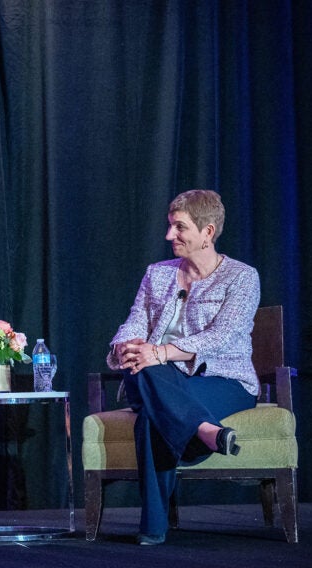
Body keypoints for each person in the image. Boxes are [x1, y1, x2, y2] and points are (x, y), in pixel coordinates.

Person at [106, 189, 260, 546]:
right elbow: (134, 322)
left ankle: (153, 525)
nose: (169, 236)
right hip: (157, 376)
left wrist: (160, 352)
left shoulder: (241, 277)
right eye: (170, 226)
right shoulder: (158, 274)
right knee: (143, 368)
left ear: (207, 232)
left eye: (179, 228)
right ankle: (204, 430)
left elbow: (221, 336)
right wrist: (127, 345)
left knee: (151, 415)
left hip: (223, 379)